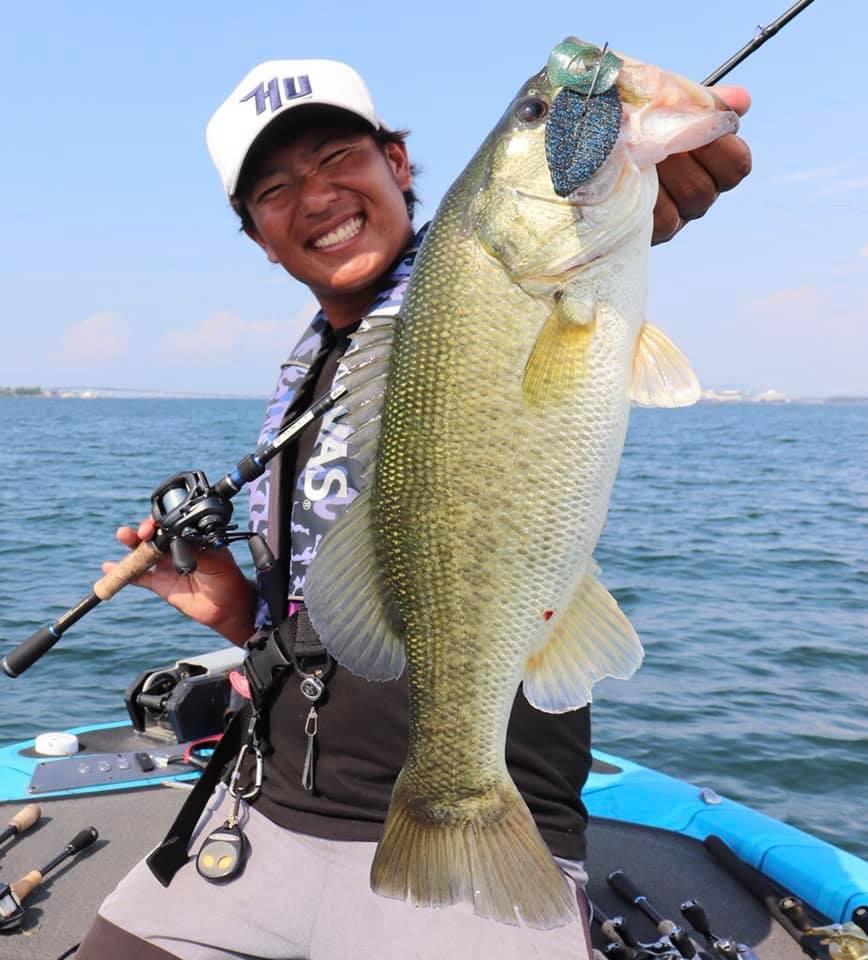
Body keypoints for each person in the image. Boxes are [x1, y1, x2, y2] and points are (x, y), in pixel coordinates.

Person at [77, 55, 751, 960]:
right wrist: (241, 613)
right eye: (275, 188)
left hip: (490, 809)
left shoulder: (472, 281)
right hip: (265, 807)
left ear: (398, 162)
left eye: (337, 158)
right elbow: (358, 603)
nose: (315, 196)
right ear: (258, 236)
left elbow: (546, 248)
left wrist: (634, 186)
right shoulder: (312, 373)